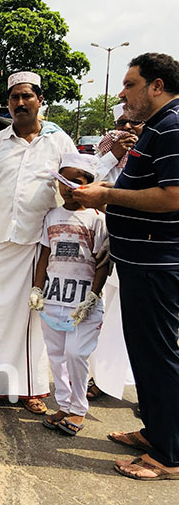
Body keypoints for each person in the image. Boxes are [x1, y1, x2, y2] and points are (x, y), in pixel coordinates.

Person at [72, 53, 179, 481]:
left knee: (160, 357)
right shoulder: (156, 126)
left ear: (157, 85)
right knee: (145, 353)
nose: (122, 94)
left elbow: (173, 196)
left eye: (130, 84)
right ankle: (155, 431)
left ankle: (169, 455)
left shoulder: (172, 127)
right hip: (137, 262)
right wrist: (106, 189)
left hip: (157, 265)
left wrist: (108, 198)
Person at [0, 71, 77, 413]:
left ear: (40, 101)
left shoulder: (59, 142)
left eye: (27, 96)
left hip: (37, 245)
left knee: (32, 322)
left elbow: (77, 186)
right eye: (14, 97)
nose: (20, 103)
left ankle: (31, 388)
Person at [30, 153, 108, 437]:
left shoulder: (97, 220)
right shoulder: (51, 216)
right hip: (53, 299)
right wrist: (37, 289)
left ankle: (78, 409)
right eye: (63, 181)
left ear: (89, 185)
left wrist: (93, 297)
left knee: (76, 354)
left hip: (83, 302)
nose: (67, 188)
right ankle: (63, 404)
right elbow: (44, 254)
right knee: (56, 355)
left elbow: (103, 261)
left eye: (75, 182)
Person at [86, 101, 142, 401]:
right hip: (110, 239)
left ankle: (112, 380)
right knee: (107, 314)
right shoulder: (110, 150)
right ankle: (105, 378)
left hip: (143, 245)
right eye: (122, 124)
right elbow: (89, 179)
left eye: (134, 123)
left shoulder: (153, 152)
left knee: (126, 318)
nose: (128, 129)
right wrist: (117, 152)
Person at [95, 103, 143, 185]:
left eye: (134, 122)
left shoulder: (154, 150)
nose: (127, 126)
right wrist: (113, 155)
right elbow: (89, 178)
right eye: (122, 122)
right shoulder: (105, 151)